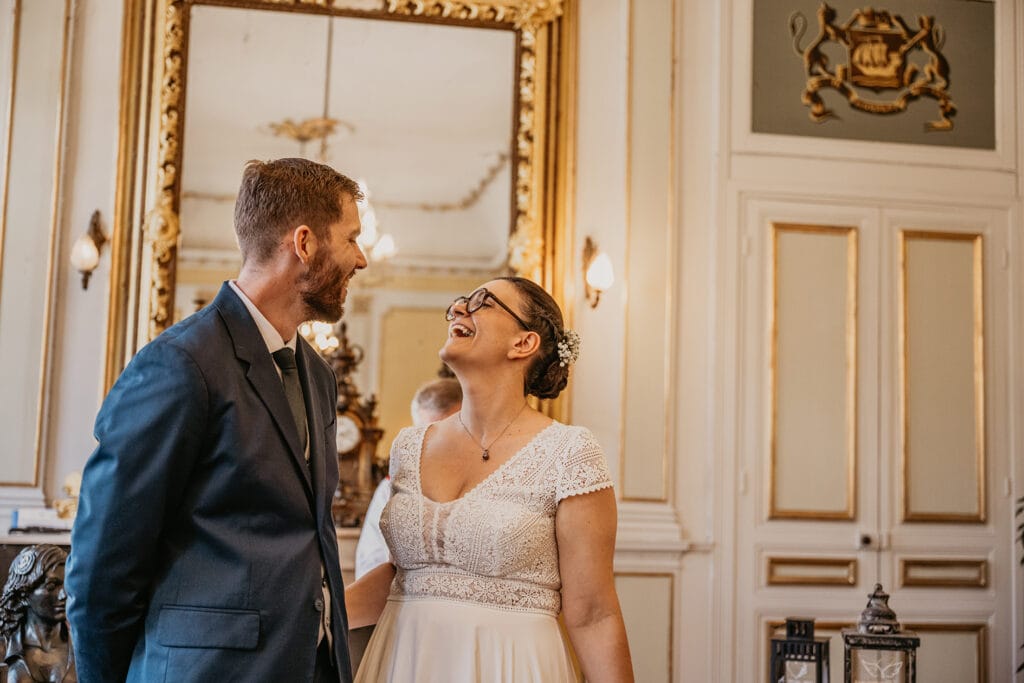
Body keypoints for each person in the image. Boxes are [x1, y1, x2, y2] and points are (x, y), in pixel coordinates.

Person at [66, 158, 368, 683]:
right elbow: (103, 565)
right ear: (304, 243)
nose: (361, 259)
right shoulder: (181, 362)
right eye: (351, 239)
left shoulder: (318, 375)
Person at [346, 277, 634, 682]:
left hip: (511, 665)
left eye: (483, 303)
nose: (458, 309)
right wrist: (306, 617)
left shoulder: (569, 452)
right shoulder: (409, 446)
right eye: (460, 301)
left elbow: (593, 614)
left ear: (523, 343)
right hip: (405, 661)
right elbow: (403, 577)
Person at [354, 377, 462, 579]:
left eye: (450, 432)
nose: (438, 445)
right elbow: (370, 564)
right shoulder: (393, 486)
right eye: (426, 433)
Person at [0, 545, 75, 682]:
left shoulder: (82, 647)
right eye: (51, 586)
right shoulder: (3, 649)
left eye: (66, 585)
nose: (64, 595)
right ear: (24, 593)